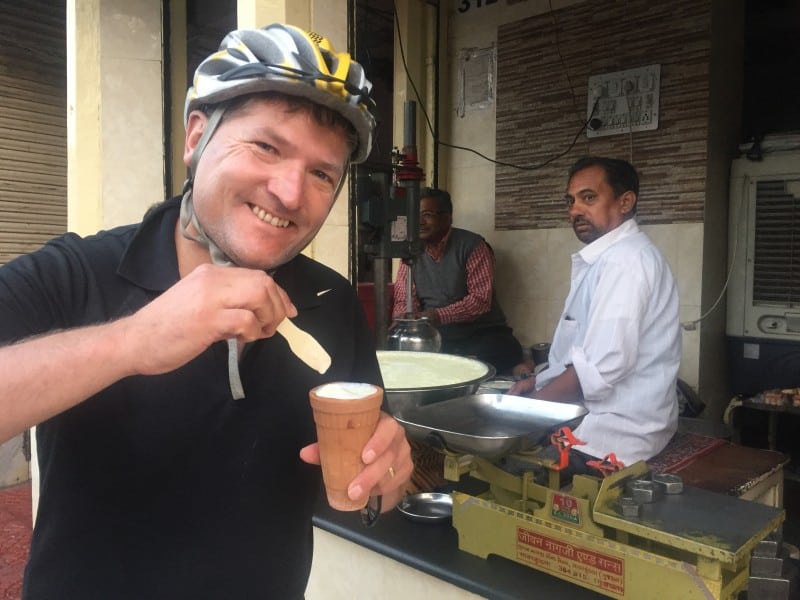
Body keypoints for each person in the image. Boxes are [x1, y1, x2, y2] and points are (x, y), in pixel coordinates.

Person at [0, 24, 412, 599]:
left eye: (323, 174)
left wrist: (384, 475)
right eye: (266, 147)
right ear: (197, 136)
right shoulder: (80, 273)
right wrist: (131, 342)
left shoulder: (330, 301)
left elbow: (362, 479)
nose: (291, 193)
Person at [509, 157, 680, 476]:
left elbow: (597, 370)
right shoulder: (610, 258)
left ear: (625, 201)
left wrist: (524, 412)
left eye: (588, 198)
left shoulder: (625, 263)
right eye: (571, 201)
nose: (574, 210)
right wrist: (537, 382)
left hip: (614, 438)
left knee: (508, 471)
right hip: (598, 420)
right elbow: (583, 356)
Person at [391, 187, 523, 373]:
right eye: (415, 215)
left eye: (427, 214)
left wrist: (436, 316)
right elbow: (404, 299)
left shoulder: (472, 246)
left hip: (482, 334)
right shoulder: (411, 251)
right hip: (438, 336)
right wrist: (405, 320)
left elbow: (480, 301)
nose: (419, 222)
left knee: (500, 352)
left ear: (447, 218)